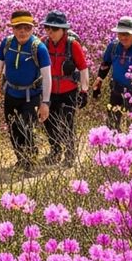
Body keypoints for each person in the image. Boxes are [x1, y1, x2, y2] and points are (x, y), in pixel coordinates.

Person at [0, 11, 52, 171]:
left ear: (32, 29)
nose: (23, 31)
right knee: (13, 128)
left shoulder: (38, 48)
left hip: (31, 97)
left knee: (26, 129)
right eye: (18, 27)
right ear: (12, 28)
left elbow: (47, 77)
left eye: (27, 28)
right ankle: (21, 159)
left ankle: (30, 161)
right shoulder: (6, 44)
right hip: (11, 94)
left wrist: (45, 102)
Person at [40, 11, 89, 166]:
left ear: (63, 30)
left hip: (68, 91)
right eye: (48, 28)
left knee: (68, 122)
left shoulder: (72, 45)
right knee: (48, 121)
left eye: (54, 29)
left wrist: (84, 91)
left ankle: (70, 152)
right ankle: (55, 151)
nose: (50, 32)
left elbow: (83, 68)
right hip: (49, 91)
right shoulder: (42, 43)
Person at [91, 17, 132, 131]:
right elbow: (106, 63)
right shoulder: (113, 46)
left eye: (126, 34)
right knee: (112, 122)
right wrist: (100, 79)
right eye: (120, 34)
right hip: (117, 89)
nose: (122, 37)